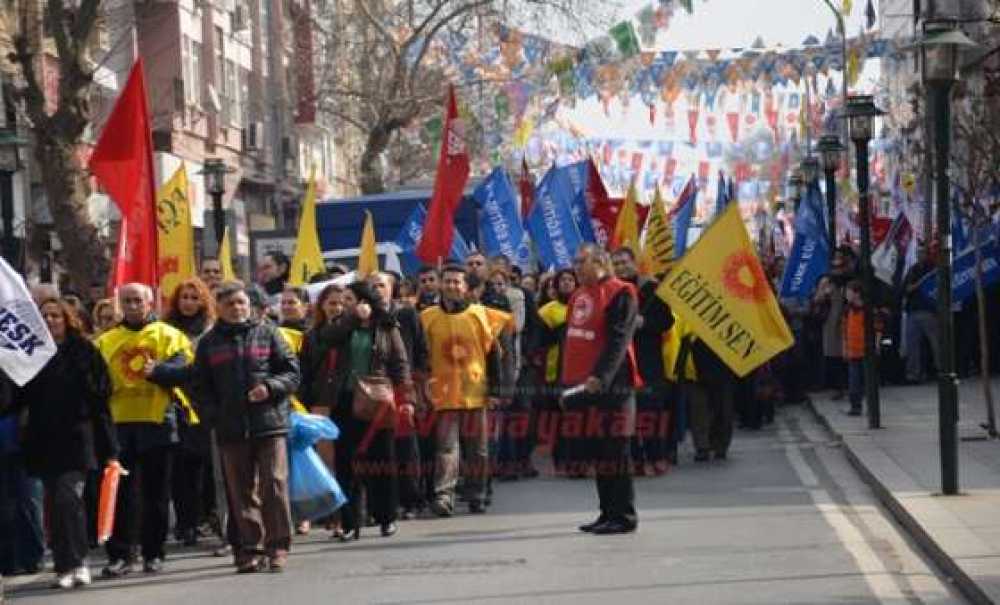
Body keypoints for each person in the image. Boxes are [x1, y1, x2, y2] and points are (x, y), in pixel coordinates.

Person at [191, 281, 300, 573]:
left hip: (269, 424)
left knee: (274, 486)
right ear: (218, 308)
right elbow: (199, 387)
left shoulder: (268, 333)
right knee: (241, 492)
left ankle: (278, 547)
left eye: (242, 303)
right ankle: (250, 549)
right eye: (230, 304)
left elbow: (291, 373)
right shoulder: (209, 343)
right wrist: (213, 415)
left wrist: (270, 387)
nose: (237, 308)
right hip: (230, 429)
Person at [17, 298, 118, 589]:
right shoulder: (32, 352)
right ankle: (63, 566)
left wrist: (110, 449)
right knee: (55, 504)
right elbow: (17, 397)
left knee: (68, 498)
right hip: (44, 439)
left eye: (55, 316)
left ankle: (79, 562)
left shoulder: (84, 350)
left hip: (78, 438)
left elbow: (102, 396)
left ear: (67, 319)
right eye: (44, 316)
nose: (50, 321)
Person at [95, 283, 194, 576]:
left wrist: (158, 372)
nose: (133, 305)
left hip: (158, 422)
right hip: (118, 425)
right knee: (120, 493)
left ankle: (154, 553)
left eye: (138, 300)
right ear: (119, 305)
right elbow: (95, 383)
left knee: (156, 493)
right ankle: (121, 555)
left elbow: (184, 372)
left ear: (150, 303)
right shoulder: (106, 341)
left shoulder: (170, 336)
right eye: (127, 301)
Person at [320, 281, 412, 539]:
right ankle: (350, 522)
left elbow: (400, 363)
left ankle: (386, 517)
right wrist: (351, 320)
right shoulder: (341, 326)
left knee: (381, 459)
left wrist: (406, 398)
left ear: (365, 301)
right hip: (344, 401)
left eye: (350, 299)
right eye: (344, 300)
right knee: (346, 462)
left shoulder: (386, 326)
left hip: (377, 401)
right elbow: (325, 340)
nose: (346, 304)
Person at [421, 264, 512, 517]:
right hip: (443, 394)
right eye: (447, 281)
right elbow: (421, 355)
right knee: (446, 448)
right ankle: (444, 495)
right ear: (441, 284)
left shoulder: (481, 315)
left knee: (478, 449)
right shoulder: (427, 317)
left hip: (476, 392)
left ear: (465, 287)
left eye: (456, 282)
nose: (451, 286)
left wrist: (495, 391)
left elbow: (494, 355)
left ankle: (477, 493)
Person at [564, 244, 640, 535]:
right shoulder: (579, 295)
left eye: (580, 261)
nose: (575, 267)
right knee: (599, 452)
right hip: (584, 387)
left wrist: (600, 376)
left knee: (616, 451)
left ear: (598, 262)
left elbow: (618, 341)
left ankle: (624, 516)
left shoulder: (621, 292)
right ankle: (606, 512)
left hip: (613, 385)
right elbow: (572, 340)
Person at [369, 272, 429, 519]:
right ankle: (382, 505)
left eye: (381, 285)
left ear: (392, 288)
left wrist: (417, 390)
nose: (376, 290)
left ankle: (411, 500)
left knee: (406, 447)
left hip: (403, 388)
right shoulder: (364, 318)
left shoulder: (406, 314)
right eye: (371, 286)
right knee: (378, 449)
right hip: (373, 392)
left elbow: (421, 352)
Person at [161, 278, 216, 547]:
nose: (189, 303)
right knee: (181, 470)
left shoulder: (210, 331)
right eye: (184, 297)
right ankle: (187, 523)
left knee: (206, 468)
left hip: (204, 407)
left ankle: (209, 517)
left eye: (195, 298)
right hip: (175, 407)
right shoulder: (165, 330)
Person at [611, 247, 675, 476]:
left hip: (648, 361)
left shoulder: (651, 289)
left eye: (624, 262)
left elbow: (667, 321)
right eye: (616, 263)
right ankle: (636, 459)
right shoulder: (610, 291)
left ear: (634, 263)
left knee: (651, 411)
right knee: (627, 415)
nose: (620, 267)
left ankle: (657, 455)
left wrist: (644, 322)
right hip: (620, 363)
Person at [535, 269, 577, 474]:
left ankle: (580, 461)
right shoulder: (547, 311)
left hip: (582, 369)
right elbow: (539, 341)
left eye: (571, 280)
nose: (567, 283)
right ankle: (562, 461)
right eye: (563, 280)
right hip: (554, 371)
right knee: (560, 417)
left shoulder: (584, 306)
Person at [901, 246, 940, 383]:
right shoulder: (913, 270)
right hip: (913, 311)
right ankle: (913, 374)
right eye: (918, 252)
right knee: (913, 345)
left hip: (929, 310)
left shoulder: (933, 269)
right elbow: (907, 288)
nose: (920, 255)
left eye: (923, 252)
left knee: (936, 343)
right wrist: (919, 283)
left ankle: (941, 370)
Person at [844, 280, 866, 416]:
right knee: (853, 382)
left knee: (863, 381)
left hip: (865, 350)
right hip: (853, 351)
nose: (846, 294)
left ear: (857, 293)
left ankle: (863, 404)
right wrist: (845, 347)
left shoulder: (866, 310)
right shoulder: (847, 310)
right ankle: (855, 406)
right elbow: (844, 330)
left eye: (849, 292)